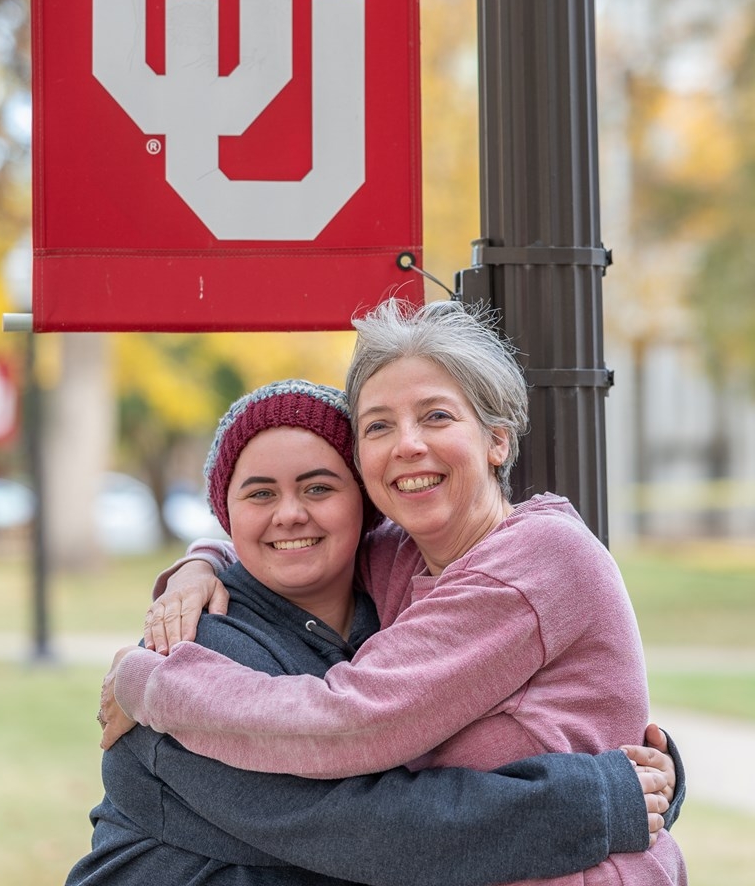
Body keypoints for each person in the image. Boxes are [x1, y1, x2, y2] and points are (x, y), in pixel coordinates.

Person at [99, 302, 688, 885]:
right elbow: (300, 537)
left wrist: (147, 683)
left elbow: (349, 723)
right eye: (379, 425)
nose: (407, 444)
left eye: (435, 416)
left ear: (497, 441)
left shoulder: (534, 562)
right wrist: (201, 563)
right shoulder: (404, 553)